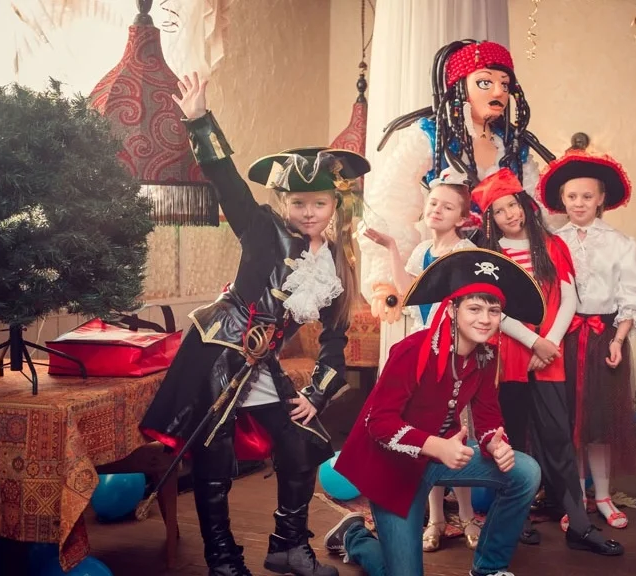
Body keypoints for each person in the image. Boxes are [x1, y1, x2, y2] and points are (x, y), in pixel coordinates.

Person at [139, 72, 365, 576]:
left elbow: (335, 342)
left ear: (334, 205)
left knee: (299, 443)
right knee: (215, 460)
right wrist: (200, 120)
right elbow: (228, 181)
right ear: (284, 203)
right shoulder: (261, 228)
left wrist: (317, 394)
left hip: (262, 364)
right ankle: (222, 560)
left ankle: (288, 548)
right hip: (217, 353)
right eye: (299, 203)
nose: (309, 212)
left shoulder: (337, 263)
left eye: (320, 203)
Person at [327, 248, 544, 576]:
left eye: (494, 310)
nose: (485, 319)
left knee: (526, 472)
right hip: (393, 468)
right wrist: (436, 446)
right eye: (474, 308)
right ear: (453, 310)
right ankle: (354, 536)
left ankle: (489, 568)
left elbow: (488, 417)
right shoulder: (412, 351)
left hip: (438, 459)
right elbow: (378, 422)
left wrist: (494, 442)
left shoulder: (485, 356)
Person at [473, 168, 623, 556]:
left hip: (549, 357)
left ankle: (580, 525)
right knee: (511, 439)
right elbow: (493, 311)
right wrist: (534, 342)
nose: (509, 215)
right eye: (498, 211)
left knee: (559, 439)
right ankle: (514, 519)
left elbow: (569, 298)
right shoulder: (491, 256)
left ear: (525, 205)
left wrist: (550, 344)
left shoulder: (551, 245)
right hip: (509, 358)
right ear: (490, 219)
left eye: (512, 205)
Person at [358, 39, 556, 303]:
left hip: (506, 261)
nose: (498, 91)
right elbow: (392, 201)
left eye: (505, 84)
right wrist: (386, 280)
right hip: (446, 258)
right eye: (485, 82)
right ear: (460, 87)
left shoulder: (511, 144)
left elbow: (539, 207)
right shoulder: (432, 136)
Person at [359, 166, 481, 551]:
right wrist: (392, 248)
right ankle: (436, 519)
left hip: (454, 355)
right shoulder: (422, 250)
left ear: (461, 218)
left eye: (447, 207)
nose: (437, 210)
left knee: (456, 434)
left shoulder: (465, 253)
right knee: (428, 436)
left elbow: (469, 308)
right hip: (424, 353)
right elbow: (409, 292)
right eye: (433, 203)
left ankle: (467, 515)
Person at [538, 146, 636, 530]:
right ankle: (575, 496)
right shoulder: (552, 241)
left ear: (601, 198)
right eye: (572, 196)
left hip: (604, 339)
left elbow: (630, 296)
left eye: (587, 196)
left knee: (599, 423)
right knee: (570, 423)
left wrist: (618, 339)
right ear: (562, 199)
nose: (579, 203)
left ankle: (602, 495)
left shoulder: (621, 243)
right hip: (564, 339)